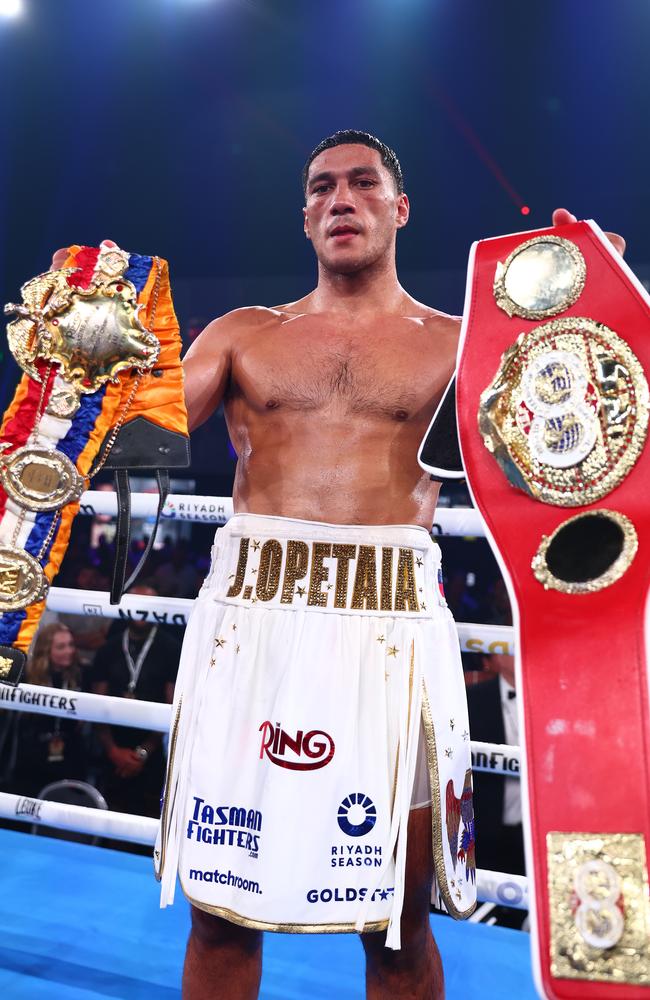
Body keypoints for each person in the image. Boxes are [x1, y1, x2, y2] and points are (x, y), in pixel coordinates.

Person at [51, 130, 625, 1000]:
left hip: (390, 637)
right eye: (321, 188)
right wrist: (82, 369)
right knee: (219, 911)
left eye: (363, 184)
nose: (340, 200)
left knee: (397, 921)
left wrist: (584, 319)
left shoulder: (462, 346)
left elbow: (571, 439)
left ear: (400, 209)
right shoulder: (245, 333)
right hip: (252, 630)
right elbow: (135, 443)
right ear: (306, 217)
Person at [91, 583, 180, 830]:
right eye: (136, 606)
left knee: (148, 821)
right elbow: (96, 703)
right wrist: (112, 750)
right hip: (112, 747)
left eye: (147, 607)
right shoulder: (110, 647)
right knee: (108, 818)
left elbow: (172, 706)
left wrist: (143, 752)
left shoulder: (171, 648)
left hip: (151, 749)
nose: (141, 613)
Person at [10, 624, 88, 797]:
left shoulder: (81, 674)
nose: (69, 651)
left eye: (71, 645)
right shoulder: (26, 676)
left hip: (70, 755)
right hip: (32, 757)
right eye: (61, 646)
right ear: (46, 650)